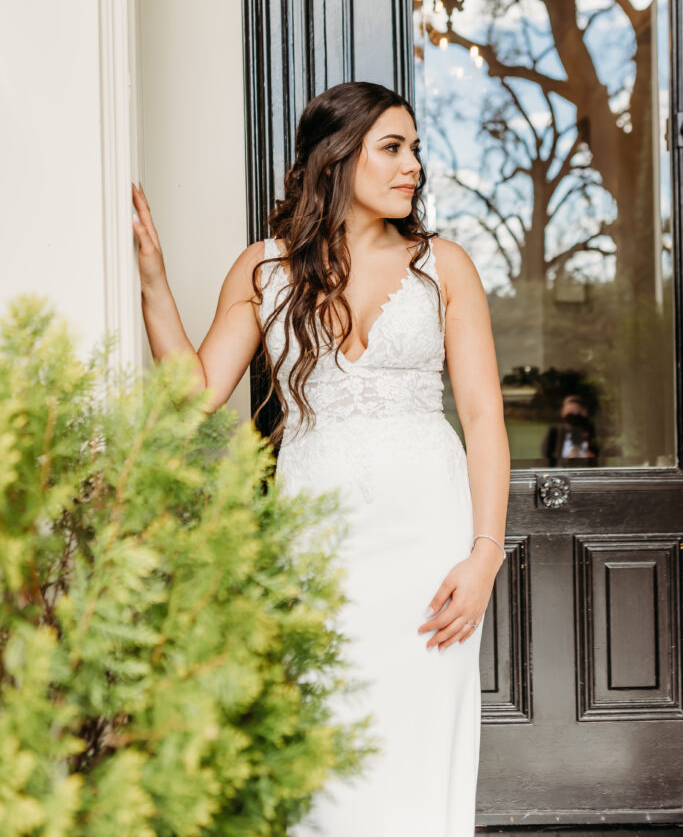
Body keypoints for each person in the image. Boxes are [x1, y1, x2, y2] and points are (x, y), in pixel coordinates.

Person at [131, 80, 510, 836]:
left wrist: (485, 554)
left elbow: (482, 415)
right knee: (321, 726)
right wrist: (152, 284)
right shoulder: (264, 269)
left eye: (414, 150)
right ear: (336, 157)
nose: (412, 166)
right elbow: (196, 393)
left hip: (428, 539)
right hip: (317, 536)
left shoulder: (444, 265)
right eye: (392, 148)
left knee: (421, 729)